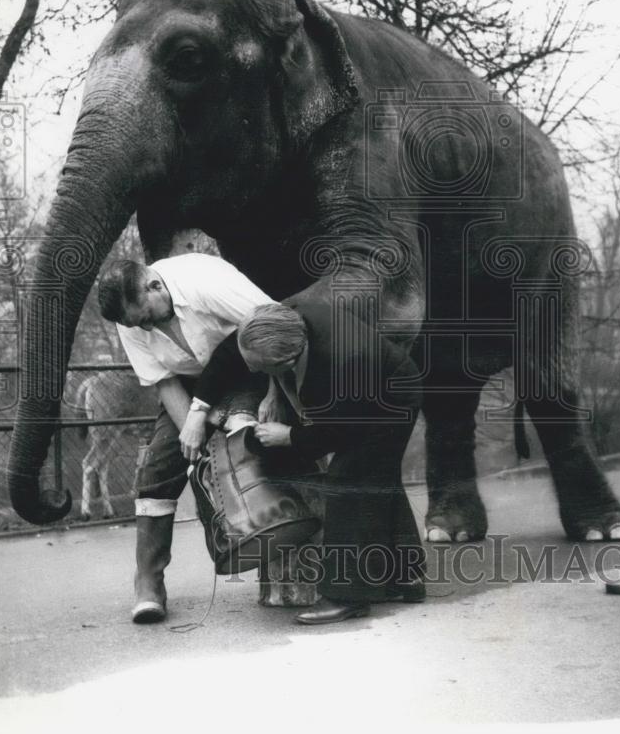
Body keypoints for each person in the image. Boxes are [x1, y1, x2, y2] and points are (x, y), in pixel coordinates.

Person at [191, 295, 426, 625]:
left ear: (287, 359)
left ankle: (347, 596)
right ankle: (406, 578)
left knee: (350, 478)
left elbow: (342, 432)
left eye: (259, 368)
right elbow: (243, 357)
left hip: (389, 399)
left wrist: (289, 436)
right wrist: (267, 392)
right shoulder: (277, 321)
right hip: (358, 392)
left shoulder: (345, 360)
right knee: (379, 476)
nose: (251, 370)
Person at [97, 252, 274, 623]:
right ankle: (148, 582)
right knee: (157, 469)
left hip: (250, 367)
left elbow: (273, 328)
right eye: (137, 325)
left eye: (146, 318)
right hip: (190, 386)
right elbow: (164, 380)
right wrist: (193, 438)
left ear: (155, 285)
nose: (144, 329)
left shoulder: (205, 280)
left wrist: (276, 398)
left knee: (243, 442)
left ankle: (273, 541)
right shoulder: (129, 320)